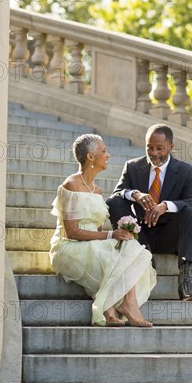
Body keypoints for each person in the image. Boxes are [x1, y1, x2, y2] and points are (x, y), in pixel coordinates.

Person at [49, 133, 156, 327]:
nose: (108, 155)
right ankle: (119, 308)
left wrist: (121, 234)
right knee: (104, 252)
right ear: (90, 157)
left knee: (129, 246)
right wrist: (110, 235)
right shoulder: (71, 184)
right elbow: (72, 232)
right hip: (69, 246)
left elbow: (98, 229)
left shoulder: (97, 191)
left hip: (91, 243)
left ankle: (120, 307)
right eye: (104, 151)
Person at [107, 124, 192, 300]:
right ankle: (144, 257)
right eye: (149, 147)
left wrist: (165, 205)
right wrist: (135, 194)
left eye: (160, 148)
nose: (154, 152)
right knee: (114, 202)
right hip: (139, 235)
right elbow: (117, 193)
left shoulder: (186, 171)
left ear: (171, 147)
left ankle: (186, 280)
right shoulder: (133, 166)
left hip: (168, 235)